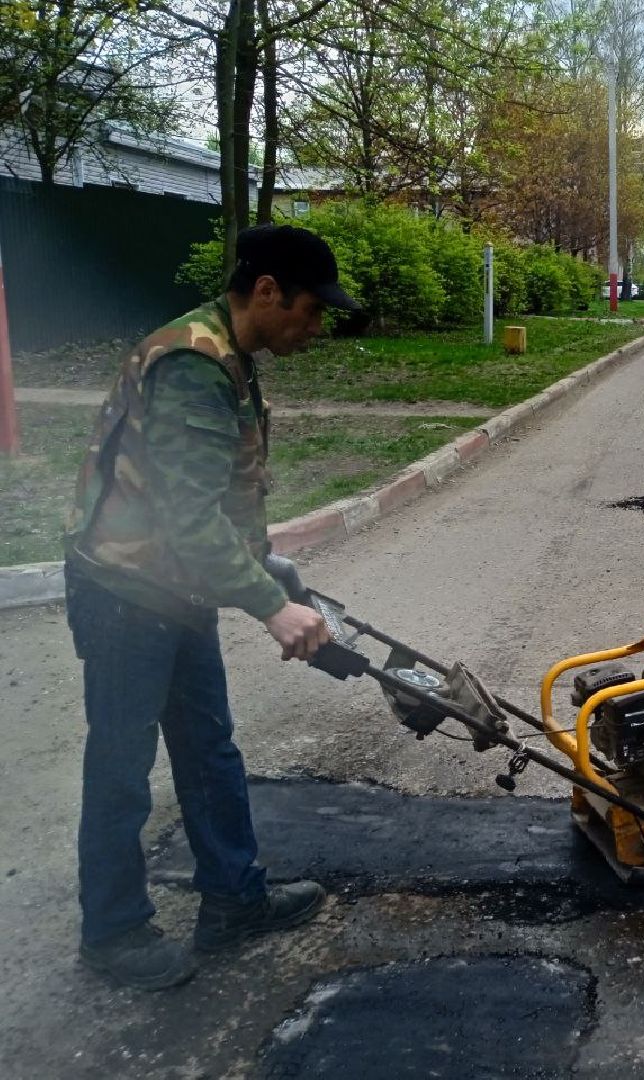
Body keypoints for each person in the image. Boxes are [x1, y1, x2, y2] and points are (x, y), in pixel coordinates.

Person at [64, 224, 361, 990]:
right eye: (311, 310)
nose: (317, 326)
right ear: (267, 292)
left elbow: (216, 500)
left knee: (208, 750)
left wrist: (270, 565)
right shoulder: (194, 364)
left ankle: (233, 899)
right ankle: (115, 932)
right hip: (128, 593)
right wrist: (271, 606)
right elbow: (185, 516)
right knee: (124, 767)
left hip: (176, 587)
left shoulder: (229, 354)